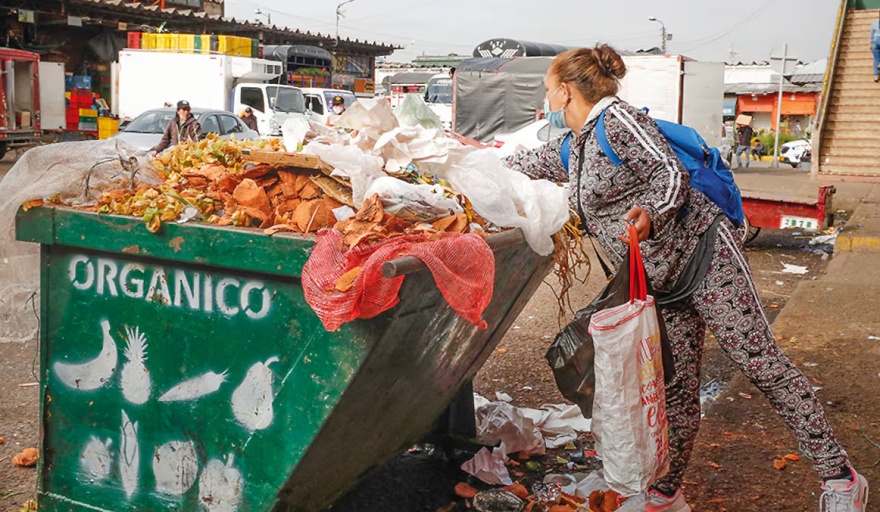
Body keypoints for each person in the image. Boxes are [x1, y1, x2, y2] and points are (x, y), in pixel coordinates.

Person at [503, 44, 868, 512]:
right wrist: (456, 161)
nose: (546, 97)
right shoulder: (577, 146)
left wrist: (650, 215)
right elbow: (522, 165)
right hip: (661, 285)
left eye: (547, 87)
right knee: (674, 389)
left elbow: (669, 174)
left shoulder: (620, 121)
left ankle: (840, 479)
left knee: (760, 363)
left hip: (704, 258)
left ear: (565, 91)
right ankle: (666, 491)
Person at [871, 10, 880, 82]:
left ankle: (876, 76)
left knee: (876, 59)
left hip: (875, 41)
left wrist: (871, 41)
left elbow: (871, 33)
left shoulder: (874, 22)